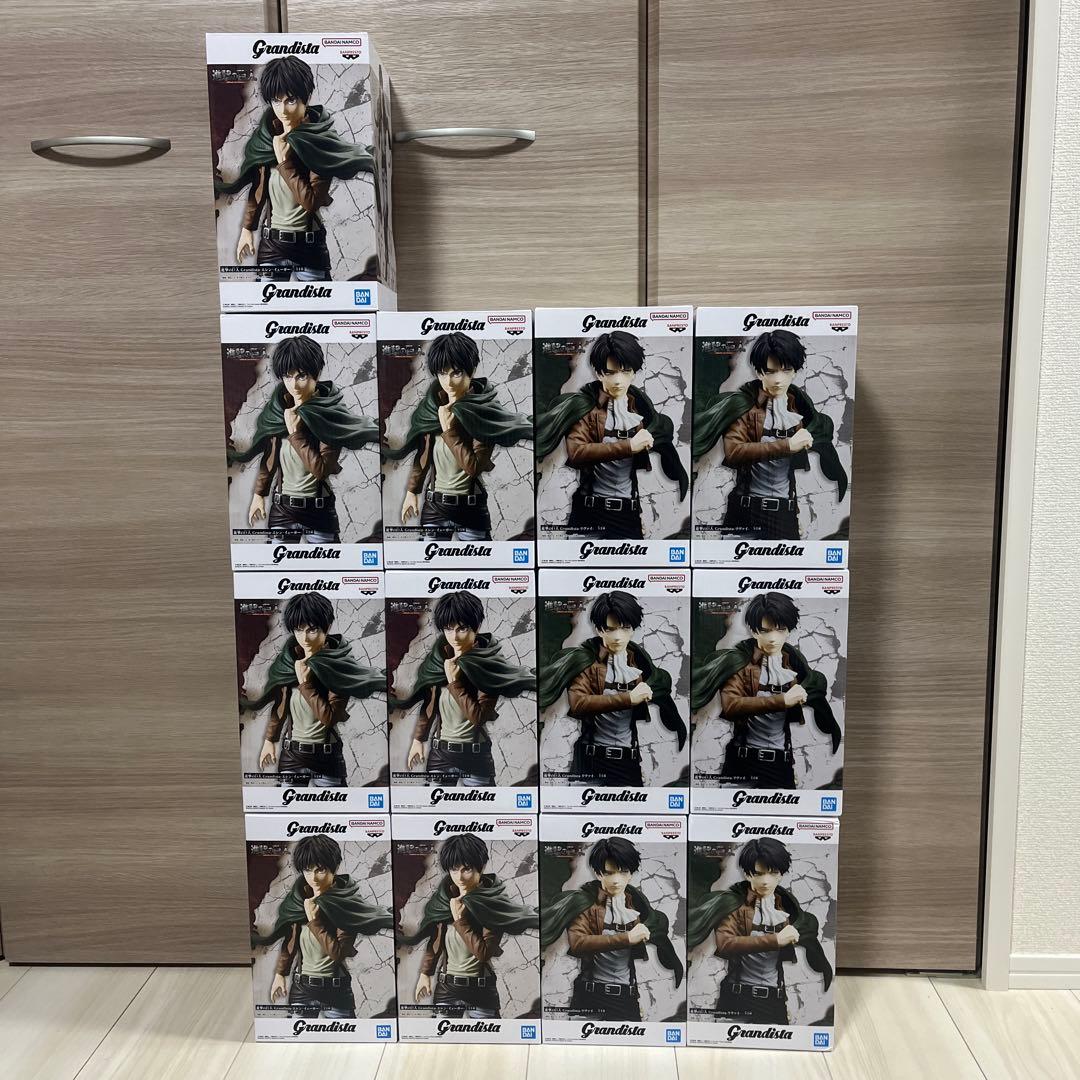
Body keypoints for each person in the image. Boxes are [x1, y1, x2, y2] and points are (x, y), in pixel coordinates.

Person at [215, 55, 375, 281]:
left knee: (319, 304)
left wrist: (284, 162)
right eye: (276, 101)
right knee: (267, 303)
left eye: (290, 100)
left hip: (309, 249)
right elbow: (259, 190)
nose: (283, 110)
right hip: (272, 247)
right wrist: (247, 229)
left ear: (305, 98)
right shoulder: (267, 140)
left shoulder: (318, 144)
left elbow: (311, 202)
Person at [692, 329, 848, 540]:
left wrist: (793, 512)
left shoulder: (800, 407)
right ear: (759, 372)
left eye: (786, 370)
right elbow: (734, 451)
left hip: (785, 514)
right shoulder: (744, 407)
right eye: (771, 371)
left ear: (795, 371)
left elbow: (818, 435)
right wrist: (787, 446)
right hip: (746, 512)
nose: (778, 379)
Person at [227, 335, 378, 545]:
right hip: (282, 511)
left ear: (316, 374)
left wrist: (295, 433)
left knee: (329, 564)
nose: (294, 385)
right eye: (287, 377)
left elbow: (321, 470)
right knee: (279, 564)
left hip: (318, 511)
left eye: (301, 376)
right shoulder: (278, 412)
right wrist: (259, 495)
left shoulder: (328, 416)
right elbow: (270, 458)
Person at [536, 331, 688, 540]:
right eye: (610, 372)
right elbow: (577, 452)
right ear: (599, 373)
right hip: (590, 513)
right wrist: (629, 446)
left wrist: (635, 512)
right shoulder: (585, 409)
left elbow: (655, 439)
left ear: (634, 373)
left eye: (625, 371)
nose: (618, 380)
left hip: (627, 514)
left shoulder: (640, 409)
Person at [386, 332, 533, 542]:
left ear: (471, 371)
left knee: (478, 562)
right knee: (430, 561)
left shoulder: (483, 413)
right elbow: (424, 455)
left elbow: (474, 467)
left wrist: (449, 431)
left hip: (470, 509)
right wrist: (412, 491)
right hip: (435, 507)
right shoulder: (432, 410)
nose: (449, 382)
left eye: (456, 373)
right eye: (442, 373)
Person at [691, 592, 840, 789]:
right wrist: (782, 700)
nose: (773, 638)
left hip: (781, 764)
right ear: (754, 631)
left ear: (789, 630)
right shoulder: (739, 663)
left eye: (780, 629)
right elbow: (731, 705)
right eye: (765, 631)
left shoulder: (794, 662)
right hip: (743, 763)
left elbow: (814, 684)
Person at [539, 591, 686, 787]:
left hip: (628, 761)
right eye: (610, 629)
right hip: (592, 761)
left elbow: (659, 683)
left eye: (625, 628)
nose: (617, 636)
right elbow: (578, 703)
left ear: (633, 629)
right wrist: (629, 698)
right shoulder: (586, 662)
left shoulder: (639, 661)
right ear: (600, 630)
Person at [241, 592, 384, 788]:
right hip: (292, 756)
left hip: (326, 757)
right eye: (298, 630)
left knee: (333, 807)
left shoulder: (338, 667)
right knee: (289, 806)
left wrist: (305, 684)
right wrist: (269, 740)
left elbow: (329, 718)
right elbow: (280, 707)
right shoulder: (289, 664)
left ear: (327, 627)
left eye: (312, 630)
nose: (305, 638)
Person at [392, 592, 535, 787]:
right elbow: (430, 705)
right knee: (435, 804)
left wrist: (454, 681)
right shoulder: (438, 662)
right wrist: (418, 739)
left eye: (462, 629)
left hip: (475, 757)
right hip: (441, 755)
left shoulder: (487, 666)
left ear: (476, 627)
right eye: (448, 629)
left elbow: (479, 716)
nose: (454, 637)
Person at [687, 837, 833, 1026]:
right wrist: (775, 940)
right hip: (738, 996)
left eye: (773, 873)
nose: (765, 881)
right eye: (758, 874)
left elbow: (806, 930)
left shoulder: (787, 908)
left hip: (774, 999)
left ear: (781, 874)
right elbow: (725, 943)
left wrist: (819, 962)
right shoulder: (734, 905)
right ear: (748, 874)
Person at [541, 837, 683, 1021]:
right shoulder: (585, 904)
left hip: (626, 997)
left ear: (631, 873)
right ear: (598, 873)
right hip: (590, 996)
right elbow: (578, 942)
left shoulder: (636, 904)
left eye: (623, 872)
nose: (616, 880)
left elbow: (656, 924)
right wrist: (627, 938)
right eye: (609, 873)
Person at [253, 833, 394, 1019]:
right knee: (299, 1035)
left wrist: (315, 921)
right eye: (307, 870)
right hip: (302, 989)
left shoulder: (344, 905)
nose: (313, 878)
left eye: (320, 870)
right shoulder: (298, 903)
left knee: (345, 1036)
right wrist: (280, 974)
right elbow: (291, 943)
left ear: (334, 868)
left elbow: (338, 953)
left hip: (335, 991)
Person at [401, 833, 538, 1019]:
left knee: (488, 1036)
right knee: (443, 1035)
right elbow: (436, 942)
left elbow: (484, 953)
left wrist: (460, 920)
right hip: (447, 989)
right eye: (454, 869)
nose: (460, 877)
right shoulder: (444, 902)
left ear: (480, 867)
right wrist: (425, 974)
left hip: (480, 991)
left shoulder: (490, 905)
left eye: (467, 869)